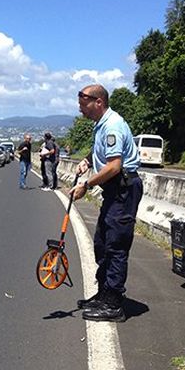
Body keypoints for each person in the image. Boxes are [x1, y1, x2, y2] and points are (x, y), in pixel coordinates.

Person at [69, 84, 143, 322]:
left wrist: (86, 185)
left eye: (84, 105)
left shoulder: (112, 125)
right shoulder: (100, 125)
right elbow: (102, 153)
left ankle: (114, 303)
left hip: (123, 190)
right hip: (113, 191)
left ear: (98, 102)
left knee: (116, 244)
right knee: (102, 242)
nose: (81, 110)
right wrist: (87, 160)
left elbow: (114, 165)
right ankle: (104, 293)